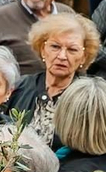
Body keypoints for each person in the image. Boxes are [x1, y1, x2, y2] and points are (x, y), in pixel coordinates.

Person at [7, 12, 99, 144]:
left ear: (84, 57)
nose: (62, 56)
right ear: (43, 49)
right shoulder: (20, 87)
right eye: (55, 47)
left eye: (72, 50)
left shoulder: (89, 99)